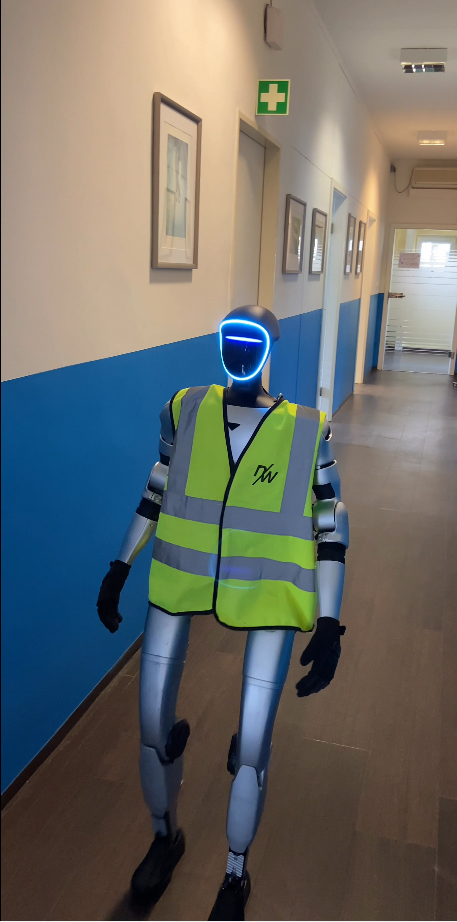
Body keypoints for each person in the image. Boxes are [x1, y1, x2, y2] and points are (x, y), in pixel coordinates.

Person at [97, 304, 349, 920]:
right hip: (179, 579)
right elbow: (156, 487)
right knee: (151, 727)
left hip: (268, 591)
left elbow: (331, 523)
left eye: (251, 339)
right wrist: (120, 565)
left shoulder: (307, 429)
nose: (239, 350)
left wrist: (330, 622)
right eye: (229, 337)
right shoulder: (183, 408)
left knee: (253, 746)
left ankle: (236, 871)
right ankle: (165, 837)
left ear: (269, 347)